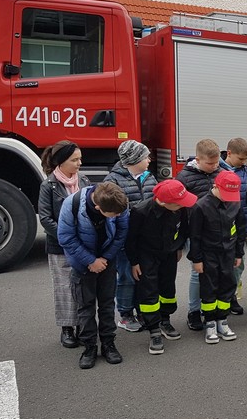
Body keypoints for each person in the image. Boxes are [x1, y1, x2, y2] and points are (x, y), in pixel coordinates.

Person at [58, 183, 129, 369]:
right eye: (113, 215)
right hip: (82, 264)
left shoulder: (118, 202)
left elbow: (121, 233)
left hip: (107, 261)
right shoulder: (71, 204)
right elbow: (66, 237)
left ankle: (108, 344)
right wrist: (90, 261)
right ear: (98, 207)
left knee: (107, 304)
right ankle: (89, 346)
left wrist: (105, 258)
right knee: (85, 306)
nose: (118, 216)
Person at [126, 179, 195, 354]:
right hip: (147, 256)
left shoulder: (179, 208)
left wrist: (178, 248)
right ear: (163, 202)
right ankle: (154, 329)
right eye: (178, 203)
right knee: (149, 291)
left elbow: (184, 230)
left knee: (168, 289)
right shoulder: (140, 211)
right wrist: (134, 262)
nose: (182, 206)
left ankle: (165, 319)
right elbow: (131, 240)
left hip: (169, 254)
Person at [38, 140, 91, 348]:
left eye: (80, 159)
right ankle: (67, 328)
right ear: (61, 161)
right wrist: (67, 237)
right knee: (64, 287)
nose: (79, 163)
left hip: (83, 244)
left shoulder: (84, 180)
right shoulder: (49, 185)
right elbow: (45, 218)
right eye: (74, 160)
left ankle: (83, 327)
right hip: (60, 245)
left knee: (83, 287)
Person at [103, 139, 156, 333]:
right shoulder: (113, 181)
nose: (149, 160)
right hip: (125, 239)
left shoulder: (149, 177)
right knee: (126, 276)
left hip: (146, 238)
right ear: (134, 159)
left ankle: (142, 310)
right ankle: (126, 314)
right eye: (145, 157)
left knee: (143, 275)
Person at [188, 171, 247, 343]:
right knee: (209, 288)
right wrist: (197, 259)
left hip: (228, 253)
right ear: (215, 186)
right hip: (208, 254)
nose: (228, 198)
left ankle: (222, 320)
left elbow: (240, 229)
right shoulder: (201, 206)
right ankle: (210, 322)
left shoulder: (235, 203)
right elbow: (195, 236)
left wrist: (239, 253)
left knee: (227, 285)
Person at [175, 139, 224, 332]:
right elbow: (178, 210)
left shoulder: (221, 173)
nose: (214, 166)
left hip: (217, 233)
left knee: (216, 273)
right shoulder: (184, 178)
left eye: (217, 162)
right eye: (210, 163)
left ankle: (210, 308)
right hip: (194, 232)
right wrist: (179, 241)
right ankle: (194, 311)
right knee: (198, 273)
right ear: (197, 159)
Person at [219, 138, 247, 316]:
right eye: (241, 159)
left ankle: (231, 296)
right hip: (221, 228)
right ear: (229, 153)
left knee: (238, 265)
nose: (244, 162)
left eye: (246, 159)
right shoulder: (218, 170)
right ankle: (217, 299)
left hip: (239, 227)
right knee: (219, 267)